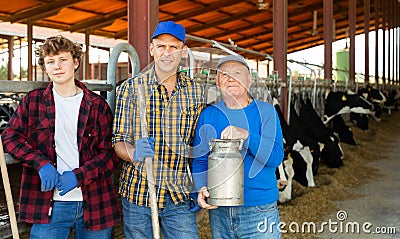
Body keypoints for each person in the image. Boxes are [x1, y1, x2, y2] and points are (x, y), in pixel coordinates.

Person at [1, 35, 120, 238]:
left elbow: (109, 155)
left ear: (75, 62)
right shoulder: (33, 102)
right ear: (45, 67)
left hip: (94, 202)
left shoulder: (97, 106)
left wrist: (79, 176)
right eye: (50, 61)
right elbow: (10, 136)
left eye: (63, 59)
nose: (57, 66)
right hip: (49, 205)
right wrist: (41, 163)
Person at [112, 21, 205, 239]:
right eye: (161, 46)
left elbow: (197, 146)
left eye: (173, 47)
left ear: (183, 51)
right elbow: (118, 140)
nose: (167, 53)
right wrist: (133, 152)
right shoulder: (132, 88)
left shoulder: (195, 92)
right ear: (152, 49)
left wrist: (199, 184)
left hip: (178, 195)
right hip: (138, 193)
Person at [192, 54, 284, 238]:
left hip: (259, 210)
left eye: (237, 73)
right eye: (224, 74)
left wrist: (247, 135)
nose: (231, 78)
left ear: (249, 80)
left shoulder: (266, 111)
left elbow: (274, 157)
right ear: (218, 82)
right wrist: (201, 188)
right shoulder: (208, 114)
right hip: (219, 211)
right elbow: (200, 161)